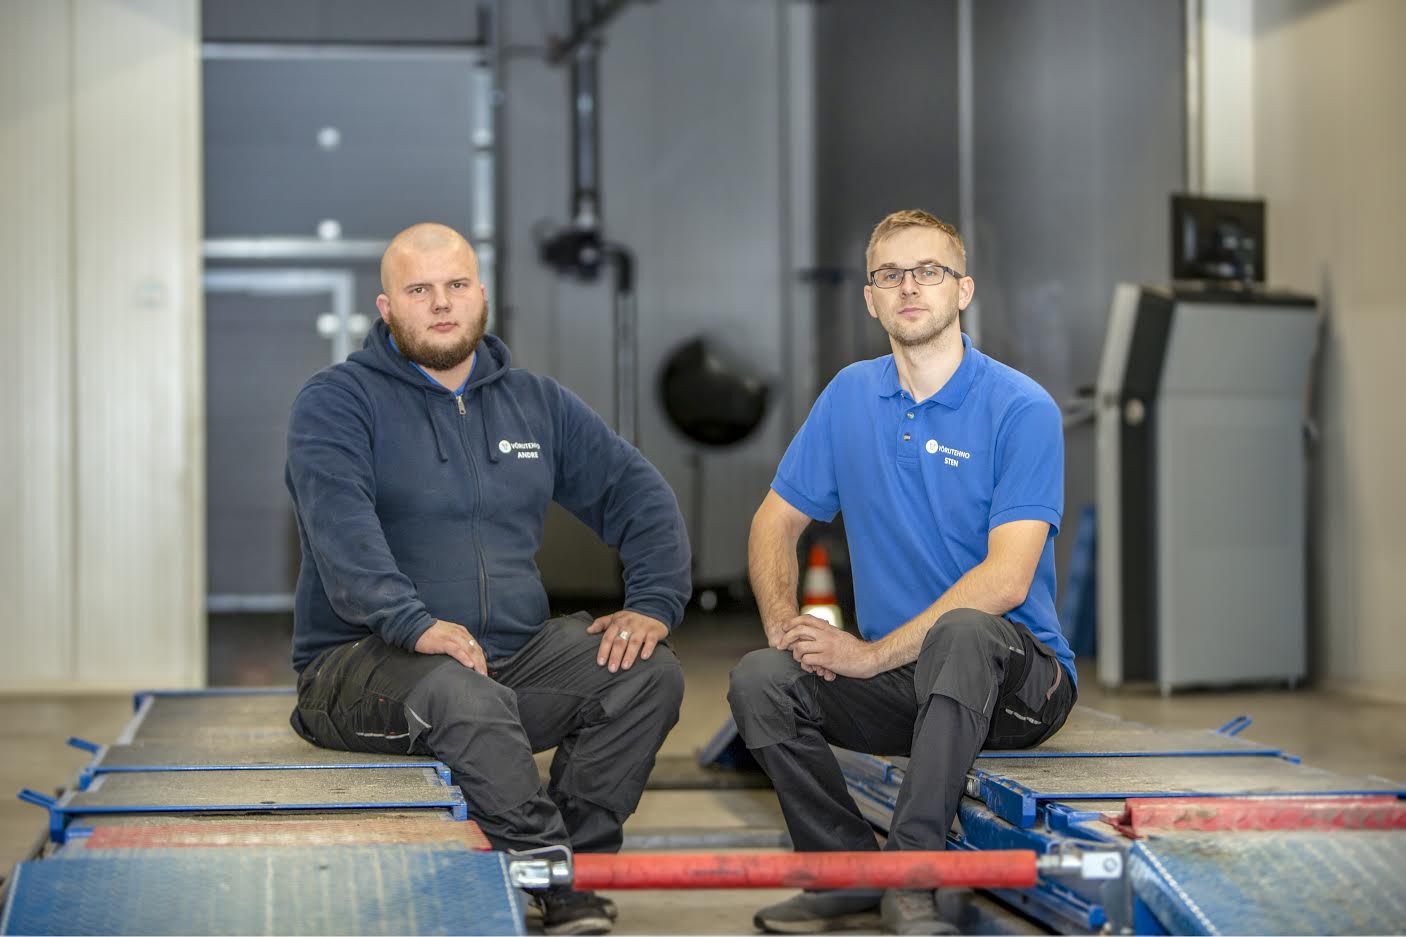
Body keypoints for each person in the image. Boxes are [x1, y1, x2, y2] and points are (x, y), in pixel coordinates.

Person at [285, 222, 690, 936]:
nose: (442, 303)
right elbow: (342, 534)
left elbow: (637, 491)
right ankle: (548, 875)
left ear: (482, 294)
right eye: (419, 290)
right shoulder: (338, 402)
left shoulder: (535, 402)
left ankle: (576, 864)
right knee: (458, 690)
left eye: (457, 285)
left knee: (644, 673)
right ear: (385, 308)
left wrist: (654, 601)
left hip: (500, 662)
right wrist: (415, 622)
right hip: (358, 668)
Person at [728, 210, 1076, 936]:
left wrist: (868, 654)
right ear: (871, 298)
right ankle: (847, 870)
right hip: (908, 683)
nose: (909, 286)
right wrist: (787, 629)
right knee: (761, 680)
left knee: (963, 630)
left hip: (1018, 680)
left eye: (929, 272)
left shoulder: (1020, 407)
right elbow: (775, 520)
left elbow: (1007, 581)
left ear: (963, 290)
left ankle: (912, 876)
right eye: (891, 274)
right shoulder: (851, 395)